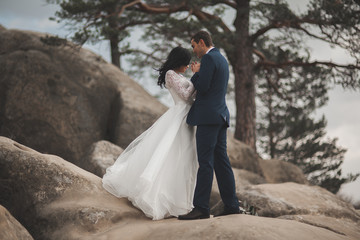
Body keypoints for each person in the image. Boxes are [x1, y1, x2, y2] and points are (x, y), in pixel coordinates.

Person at [102, 47, 198, 220]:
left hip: (187, 119)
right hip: (178, 117)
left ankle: (181, 202)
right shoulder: (170, 74)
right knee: (169, 156)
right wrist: (197, 79)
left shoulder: (182, 76)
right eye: (186, 63)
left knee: (184, 159)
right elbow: (185, 95)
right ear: (179, 61)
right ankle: (160, 198)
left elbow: (192, 97)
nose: (188, 66)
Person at [178, 31, 240, 220]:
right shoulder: (221, 58)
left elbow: (203, 87)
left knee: (205, 163)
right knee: (222, 163)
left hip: (208, 118)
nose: (193, 50)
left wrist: (196, 74)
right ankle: (231, 205)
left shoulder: (209, 60)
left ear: (202, 42)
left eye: (194, 45)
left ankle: (201, 208)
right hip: (220, 116)